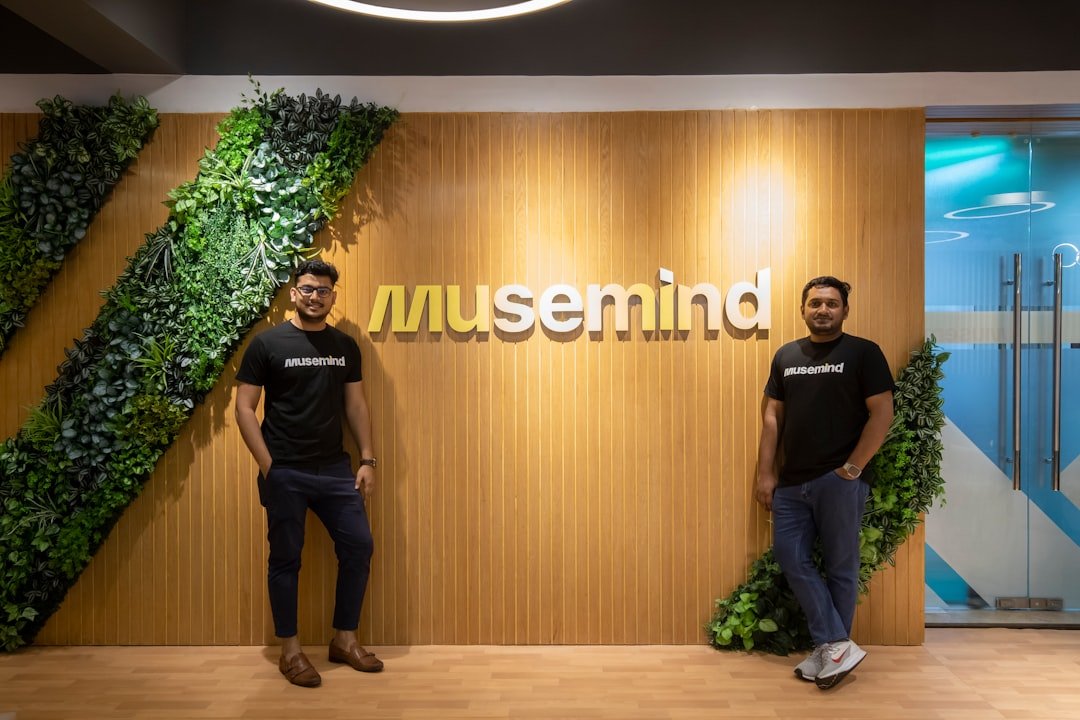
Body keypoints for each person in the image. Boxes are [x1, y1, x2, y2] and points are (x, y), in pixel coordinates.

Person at [235, 259, 383, 688]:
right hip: (285, 471)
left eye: (323, 290)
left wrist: (367, 460)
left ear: (333, 297)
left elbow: (355, 405)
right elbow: (244, 409)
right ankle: (291, 651)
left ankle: (344, 639)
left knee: (359, 547)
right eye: (307, 288)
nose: (315, 296)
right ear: (293, 293)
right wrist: (269, 467)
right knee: (286, 559)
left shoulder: (345, 346)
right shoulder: (267, 345)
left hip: (336, 469)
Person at [754, 276, 894, 690]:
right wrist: (766, 472)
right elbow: (772, 417)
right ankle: (835, 644)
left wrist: (852, 469)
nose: (823, 310)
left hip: (840, 479)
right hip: (792, 484)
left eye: (832, 304)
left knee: (841, 568)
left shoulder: (863, 353)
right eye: (815, 303)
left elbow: (882, 414)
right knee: (790, 557)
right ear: (803, 309)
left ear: (845, 310)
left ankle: (829, 649)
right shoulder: (786, 356)